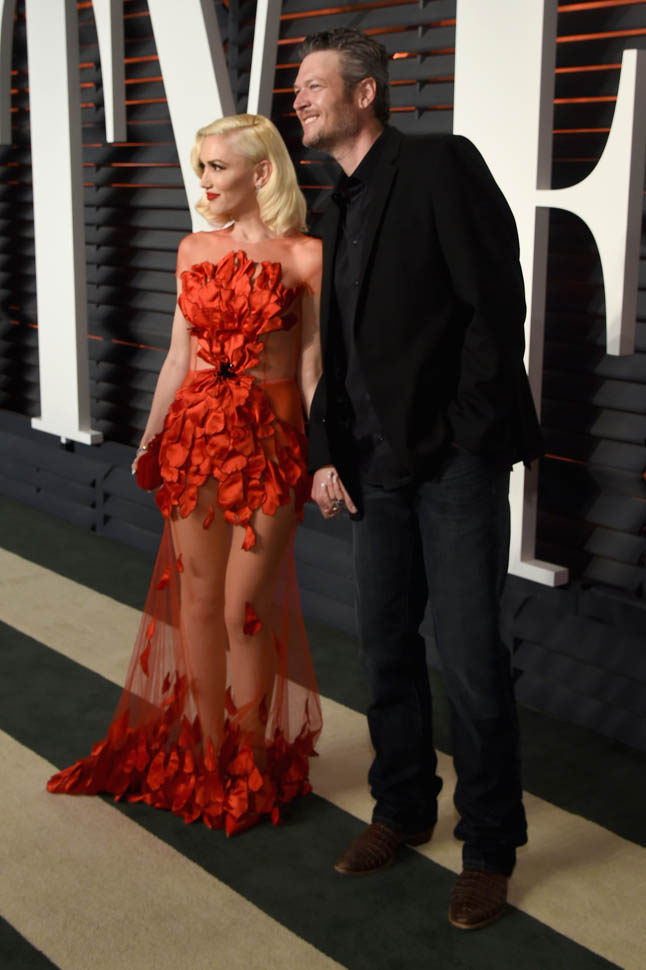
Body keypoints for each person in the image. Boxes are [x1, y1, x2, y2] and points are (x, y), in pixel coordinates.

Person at [293, 29, 543, 928]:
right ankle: (401, 809)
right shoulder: (333, 209)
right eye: (296, 86)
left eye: (313, 84)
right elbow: (336, 352)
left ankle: (489, 849)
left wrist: (465, 438)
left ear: (365, 93)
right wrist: (327, 451)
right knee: (386, 648)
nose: (298, 98)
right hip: (375, 471)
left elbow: (495, 306)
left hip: (455, 466)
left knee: (470, 659)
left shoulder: (440, 165)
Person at [47, 114, 323, 836]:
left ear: (261, 173)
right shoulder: (193, 248)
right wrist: (149, 437)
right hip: (194, 437)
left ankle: (251, 759)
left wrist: (325, 456)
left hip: (271, 445)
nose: (203, 181)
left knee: (243, 608)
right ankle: (207, 754)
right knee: (197, 602)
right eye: (201, 166)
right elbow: (179, 357)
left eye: (216, 167)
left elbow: (312, 368)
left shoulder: (306, 257)